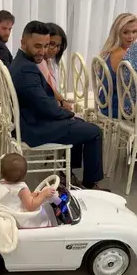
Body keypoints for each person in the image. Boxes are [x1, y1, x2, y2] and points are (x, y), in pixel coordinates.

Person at [10, 20, 104, 190]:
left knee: (82, 125)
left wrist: (66, 113)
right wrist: (67, 114)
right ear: (23, 42)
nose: (43, 51)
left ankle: (69, 173)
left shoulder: (21, 62)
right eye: (37, 46)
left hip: (30, 120)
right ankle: (91, 184)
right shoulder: (27, 69)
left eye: (46, 46)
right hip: (35, 128)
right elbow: (45, 106)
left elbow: (43, 102)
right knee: (94, 132)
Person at [0, 153, 57, 228]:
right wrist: (43, 194)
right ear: (24, 175)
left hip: (6, 213)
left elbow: (14, 199)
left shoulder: (0, 183)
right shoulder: (22, 188)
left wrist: (30, 196)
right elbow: (31, 206)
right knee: (44, 216)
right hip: (20, 219)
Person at [99, 13, 137, 118]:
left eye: (134, 31)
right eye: (126, 32)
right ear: (117, 33)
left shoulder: (110, 50)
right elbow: (132, 88)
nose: (131, 37)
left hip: (105, 102)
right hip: (118, 108)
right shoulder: (123, 55)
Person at [38, 23, 72, 110]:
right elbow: (49, 92)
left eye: (58, 46)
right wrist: (62, 103)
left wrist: (62, 100)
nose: (55, 49)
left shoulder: (48, 61)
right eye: (52, 44)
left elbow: (53, 89)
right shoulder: (40, 62)